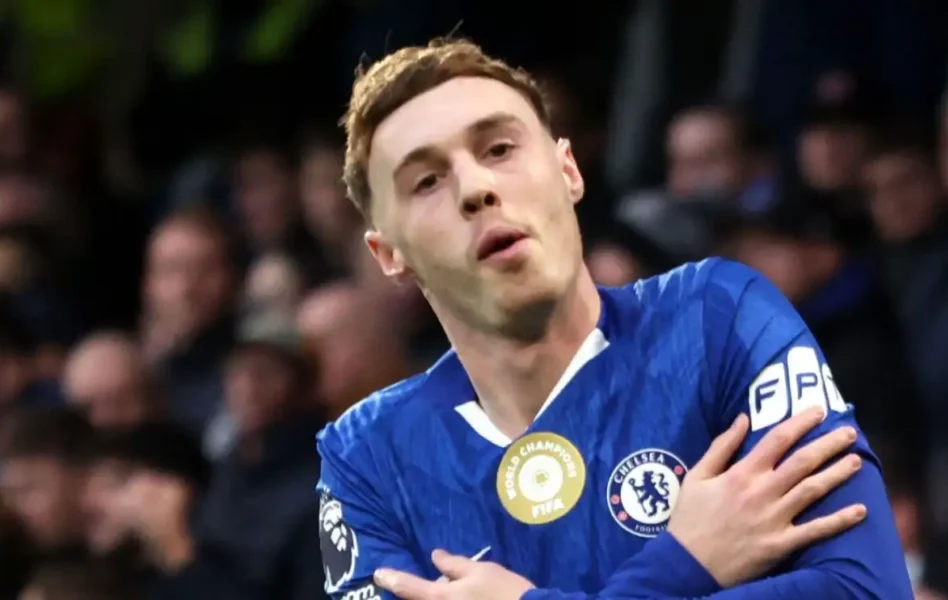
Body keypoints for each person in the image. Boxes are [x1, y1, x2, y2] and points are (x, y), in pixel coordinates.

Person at [316, 38, 911, 600]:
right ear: (388, 254)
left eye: (499, 149)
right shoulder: (367, 462)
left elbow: (866, 588)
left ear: (568, 171)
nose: (475, 188)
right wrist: (680, 565)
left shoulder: (719, 319)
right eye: (426, 182)